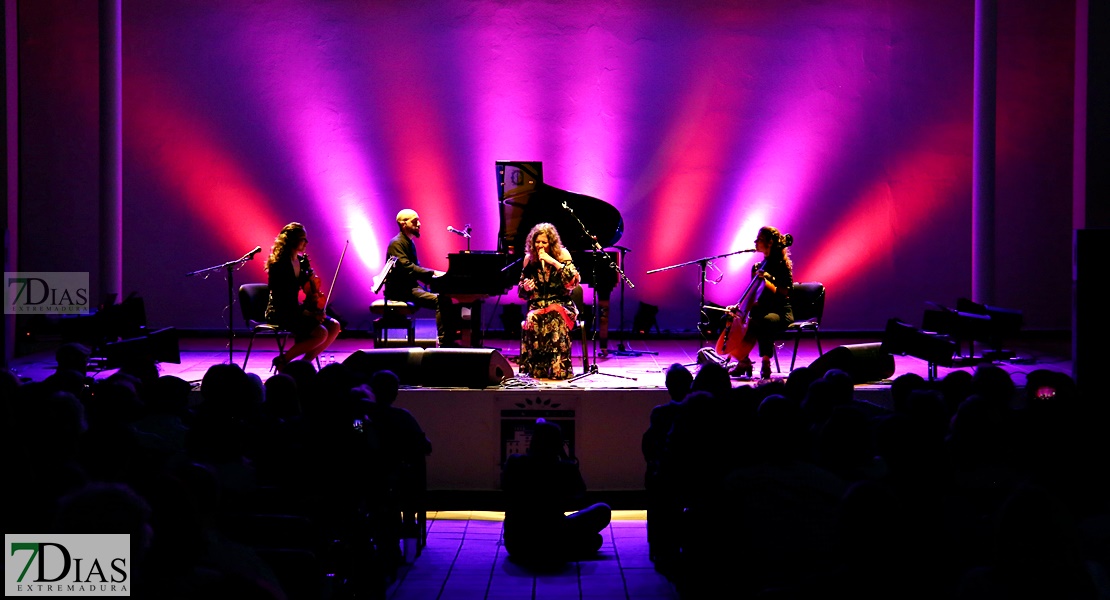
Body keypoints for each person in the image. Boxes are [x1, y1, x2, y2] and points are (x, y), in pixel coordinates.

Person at [501, 419, 611, 565]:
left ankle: (553, 551)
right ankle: (559, 550)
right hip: (554, 535)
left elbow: (506, 488)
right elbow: (580, 495)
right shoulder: (562, 469)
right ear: (557, 445)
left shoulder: (515, 462)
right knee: (602, 511)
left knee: (592, 540)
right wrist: (567, 459)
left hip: (516, 544)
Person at [264, 222, 341, 371]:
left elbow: (308, 290)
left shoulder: (301, 261)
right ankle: (283, 360)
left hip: (295, 309)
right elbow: (283, 301)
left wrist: (311, 281)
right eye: (303, 239)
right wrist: (310, 314)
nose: (306, 242)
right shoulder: (279, 265)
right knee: (321, 333)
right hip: (280, 311)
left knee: (335, 326)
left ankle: (304, 364)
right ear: (293, 240)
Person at [724, 225, 793, 380]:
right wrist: (739, 307)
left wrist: (770, 278)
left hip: (780, 311)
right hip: (761, 309)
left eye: (759, 239)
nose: (755, 242)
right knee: (733, 317)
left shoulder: (781, 265)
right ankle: (743, 360)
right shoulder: (757, 267)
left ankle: (766, 363)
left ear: (769, 243)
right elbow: (754, 294)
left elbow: (787, 291)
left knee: (765, 321)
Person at [517, 222, 581, 380]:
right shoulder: (529, 259)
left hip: (561, 304)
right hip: (538, 305)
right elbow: (521, 291)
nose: (540, 246)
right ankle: (537, 370)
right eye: (537, 242)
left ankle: (557, 369)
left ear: (551, 243)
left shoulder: (563, 255)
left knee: (554, 318)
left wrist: (553, 262)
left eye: (544, 242)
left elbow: (573, 282)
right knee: (533, 318)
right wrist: (526, 287)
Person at [382, 209, 453, 347]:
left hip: (409, 288)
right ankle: (444, 343)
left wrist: (437, 278)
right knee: (440, 301)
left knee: (445, 298)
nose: (419, 224)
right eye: (415, 221)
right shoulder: (396, 243)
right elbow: (408, 268)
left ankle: (450, 339)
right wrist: (434, 273)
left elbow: (415, 269)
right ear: (403, 224)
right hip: (401, 291)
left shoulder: (408, 242)